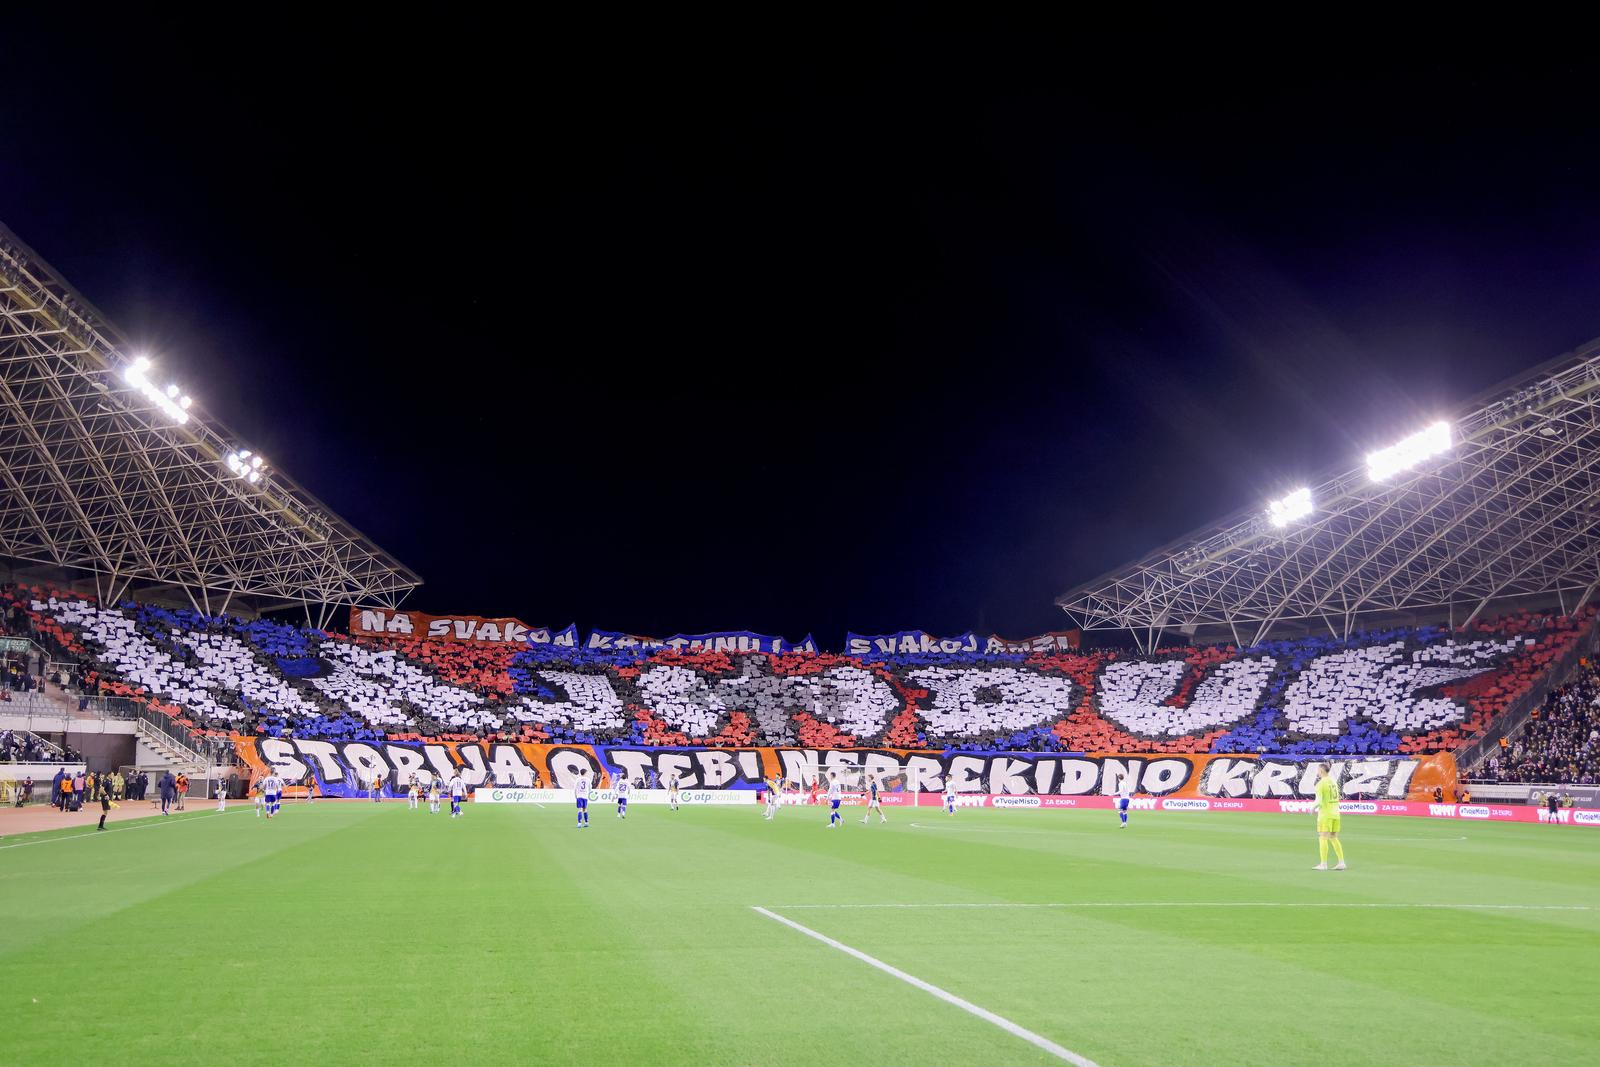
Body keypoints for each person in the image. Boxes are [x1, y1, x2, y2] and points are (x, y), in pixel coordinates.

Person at [1312, 765, 1346, 871]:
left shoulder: (1321, 784)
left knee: (1323, 837)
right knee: (1333, 837)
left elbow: (1319, 800)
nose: (1317, 771)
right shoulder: (1333, 782)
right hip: (1336, 813)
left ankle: (1323, 864)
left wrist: (1312, 808)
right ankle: (1341, 862)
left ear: (1321, 770)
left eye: (1318, 769)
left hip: (1325, 814)